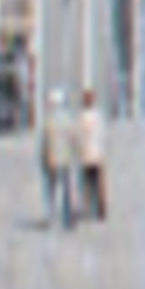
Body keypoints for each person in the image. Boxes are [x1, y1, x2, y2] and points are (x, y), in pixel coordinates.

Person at [40, 90, 72, 229]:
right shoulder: (66, 119)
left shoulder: (48, 121)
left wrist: (43, 158)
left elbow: (45, 142)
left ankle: (51, 216)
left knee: (51, 190)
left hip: (51, 159)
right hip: (64, 158)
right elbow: (72, 138)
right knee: (65, 189)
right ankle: (66, 218)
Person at [77, 87, 108, 221]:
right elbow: (102, 134)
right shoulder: (98, 116)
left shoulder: (81, 117)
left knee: (88, 185)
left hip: (86, 155)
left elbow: (79, 136)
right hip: (96, 154)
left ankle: (89, 210)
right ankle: (100, 210)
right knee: (98, 184)